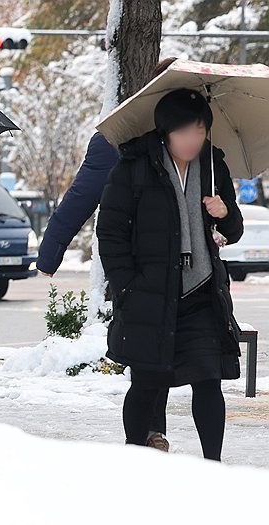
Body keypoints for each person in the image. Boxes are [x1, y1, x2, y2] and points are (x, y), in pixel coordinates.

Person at [97, 88, 244, 462]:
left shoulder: (213, 166)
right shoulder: (135, 166)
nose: (193, 140)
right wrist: (127, 285)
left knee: (209, 379)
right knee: (146, 382)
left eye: (199, 131)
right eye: (184, 131)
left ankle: (214, 463)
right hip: (150, 293)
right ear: (165, 130)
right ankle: (135, 456)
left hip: (201, 293)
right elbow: (110, 232)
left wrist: (223, 212)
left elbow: (235, 229)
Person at [38, 56, 177, 449]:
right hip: (136, 270)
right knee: (150, 357)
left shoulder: (196, 139)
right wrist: (50, 256)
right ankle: (149, 433)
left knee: (170, 356)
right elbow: (80, 198)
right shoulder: (117, 137)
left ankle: (158, 433)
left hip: (183, 269)